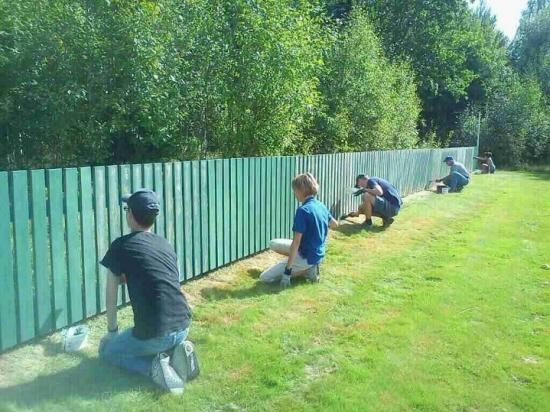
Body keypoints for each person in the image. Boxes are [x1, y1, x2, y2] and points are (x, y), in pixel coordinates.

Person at [99, 189, 194, 394]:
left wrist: (112, 332)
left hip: (156, 333)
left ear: (131, 215)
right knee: (158, 339)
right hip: (184, 325)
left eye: (127, 209)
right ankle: (177, 350)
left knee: (108, 352)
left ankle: (154, 369)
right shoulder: (165, 244)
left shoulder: (121, 246)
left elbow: (111, 291)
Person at [260, 173, 338, 287]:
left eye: (295, 190)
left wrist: (287, 272)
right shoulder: (321, 205)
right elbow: (335, 224)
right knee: (273, 244)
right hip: (317, 253)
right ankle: (308, 266)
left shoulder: (303, 210)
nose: (294, 193)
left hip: (305, 256)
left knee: (264, 278)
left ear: (301, 190)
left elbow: (296, 243)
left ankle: (305, 270)